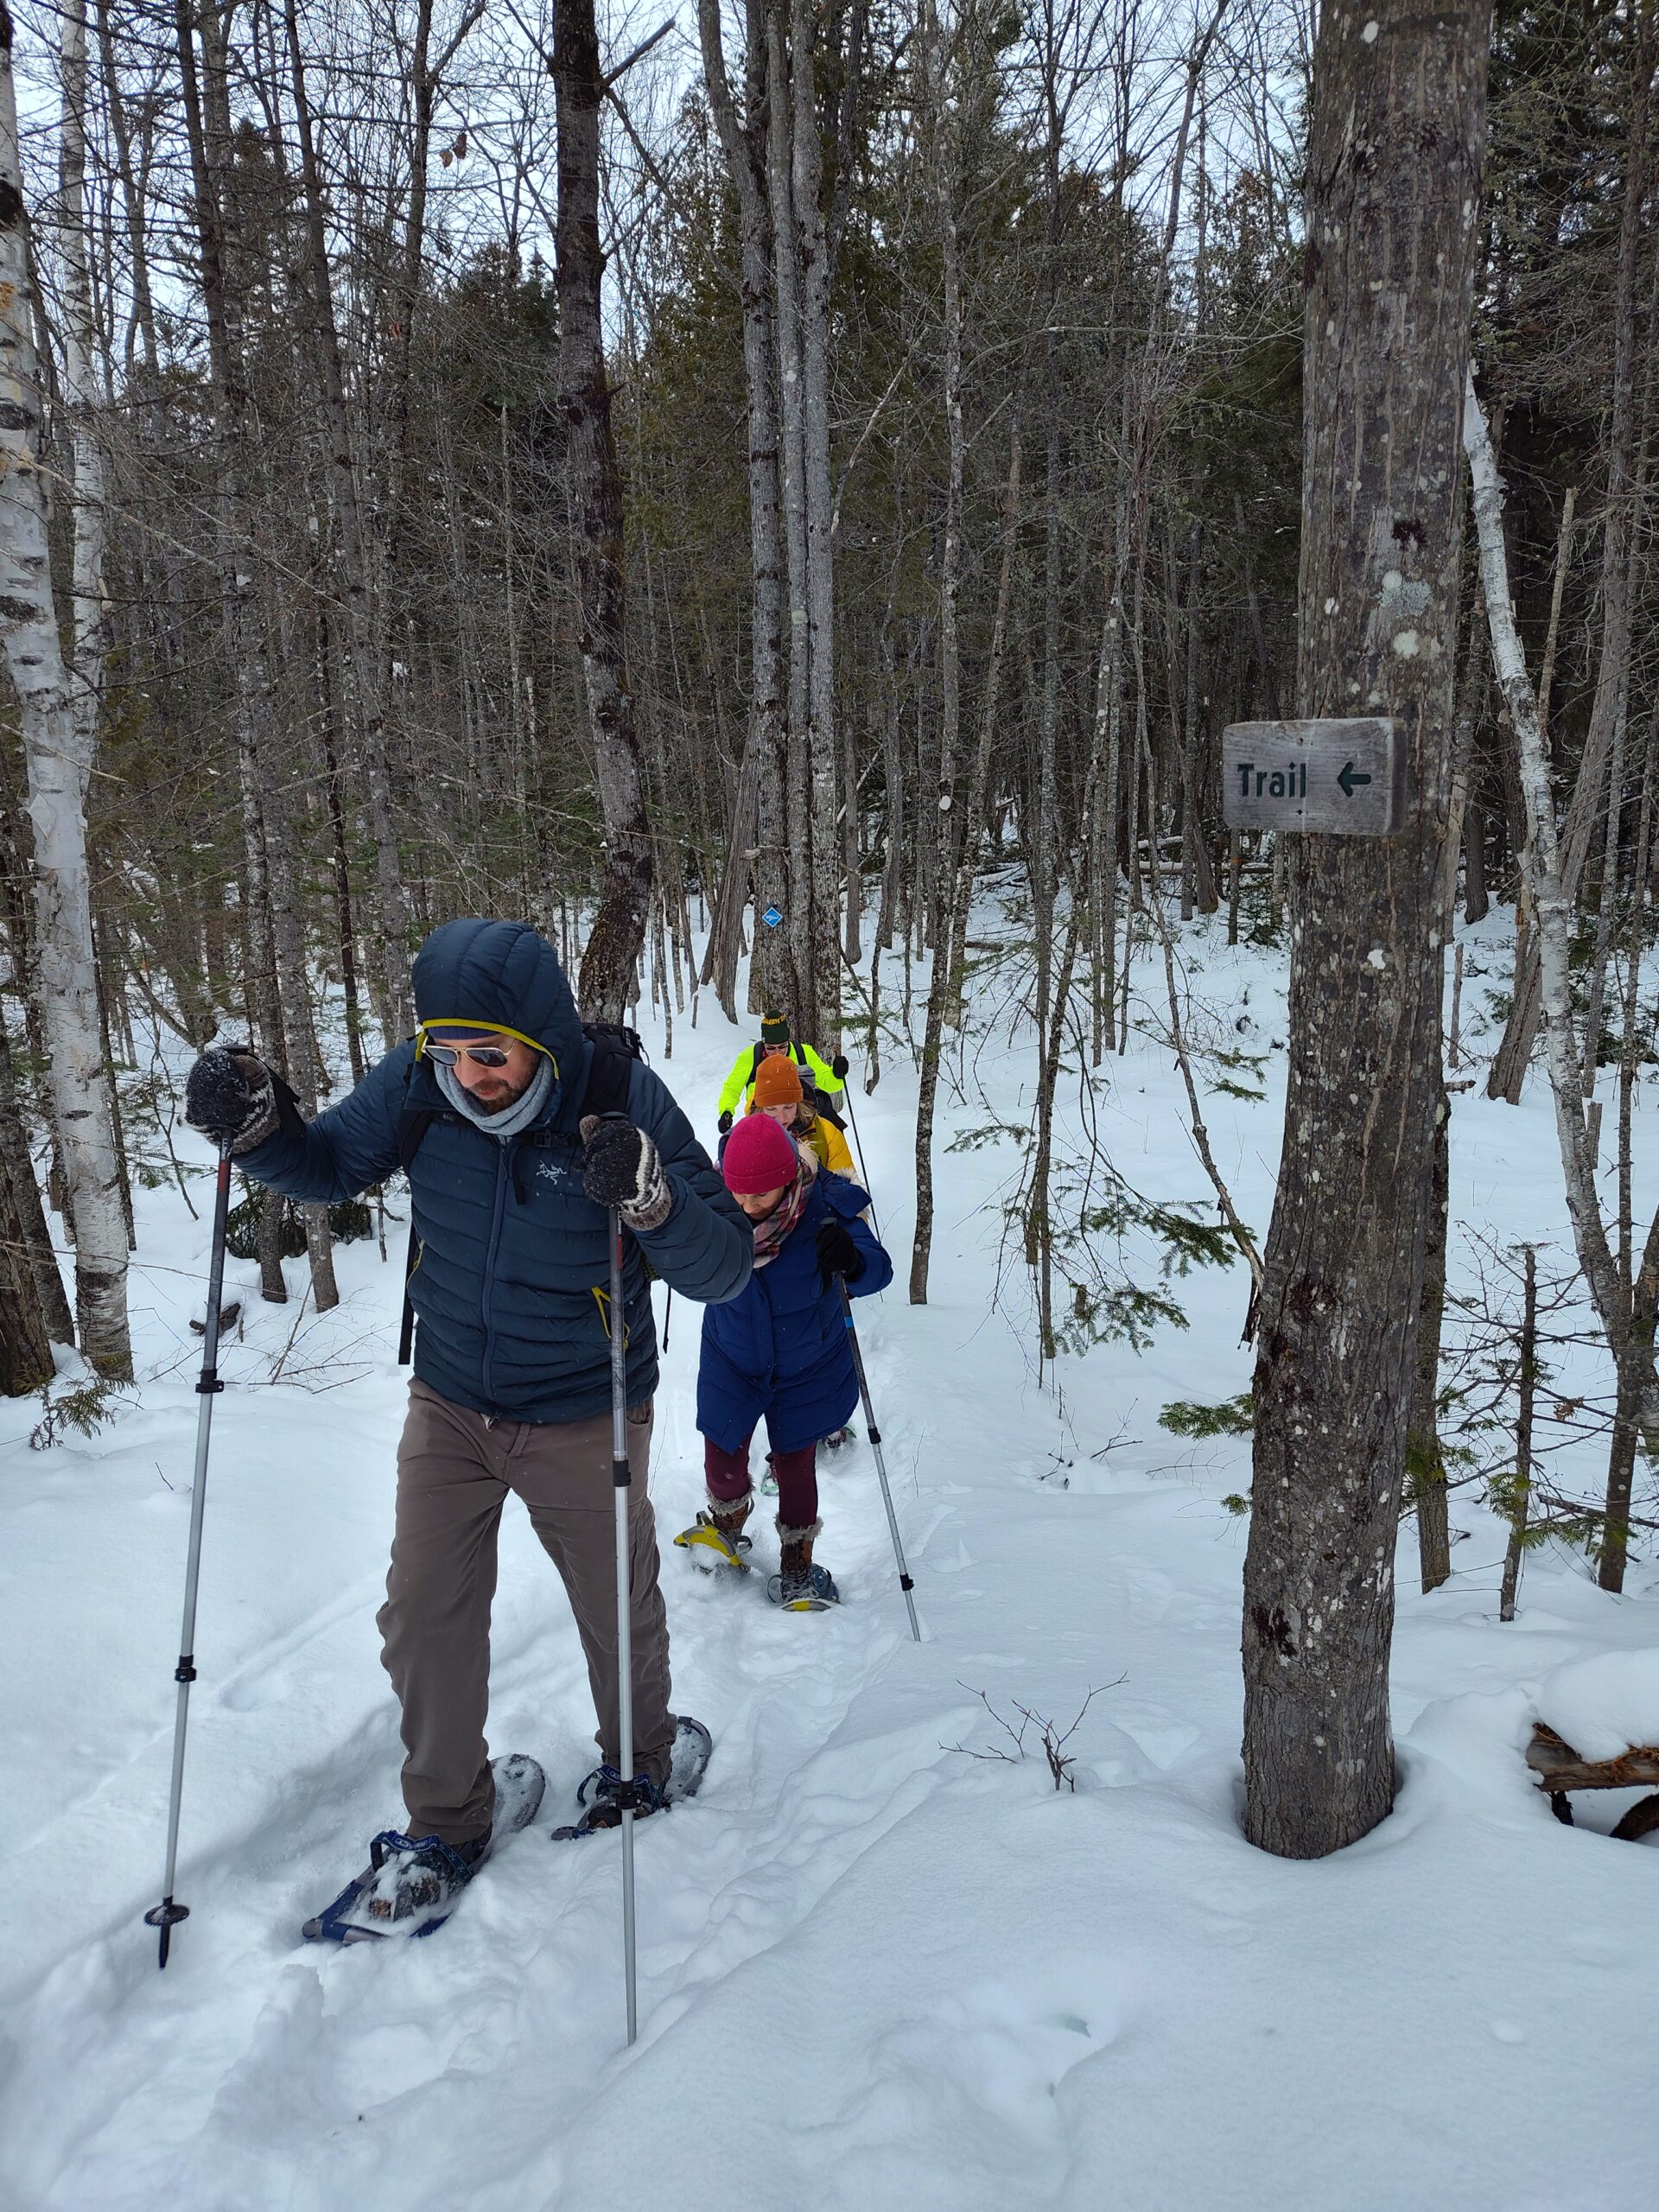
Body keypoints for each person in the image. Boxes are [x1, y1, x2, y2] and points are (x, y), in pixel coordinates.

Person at [183, 918, 751, 1914]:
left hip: (585, 1404)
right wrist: (262, 1130)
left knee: (616, 1603)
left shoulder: (613, 1097)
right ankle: (448, 1822)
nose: (467, 1073)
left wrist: (654, 1199)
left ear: (538, 1034)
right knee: (423, 1615)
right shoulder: (416, 1084)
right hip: (450, 1396)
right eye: (447, 1051)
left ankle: (643, 1759)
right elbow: (327, 1167)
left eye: (488, 1054)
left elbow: (724, 1267)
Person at [677, 1112, 891, 1611]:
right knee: (722, 1455)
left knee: (795, 1467)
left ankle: (798, 1559)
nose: (746, 1207)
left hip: (806, 1364)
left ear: (788, 1181)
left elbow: (877, 1269)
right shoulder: (714, 1206)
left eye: (759, 1196)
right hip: (733, 1354)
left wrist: (853, 1261)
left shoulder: (826, 1211)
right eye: (738, 1194)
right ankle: (728, 1522)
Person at [715, 1009, 846, 1134]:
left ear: (788, 1040)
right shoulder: (750, 1057)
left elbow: (828, 1082)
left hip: (801, 1124)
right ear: (764, 1042)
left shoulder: (803, 1053)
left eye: (783, 1046)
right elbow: (732, 1089)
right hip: (762, 1125)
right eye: (771, 1048)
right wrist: (726, 1112)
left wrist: (836, 1074)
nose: (777, 1053)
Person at [747, 1052, 858, 1179]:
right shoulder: (744, 1136)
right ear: (760, 1108)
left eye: (789, 1107)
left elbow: (847, 1193)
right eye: (771, 1109)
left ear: (799, 1103)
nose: (782, 1118)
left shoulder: (827, 1134)